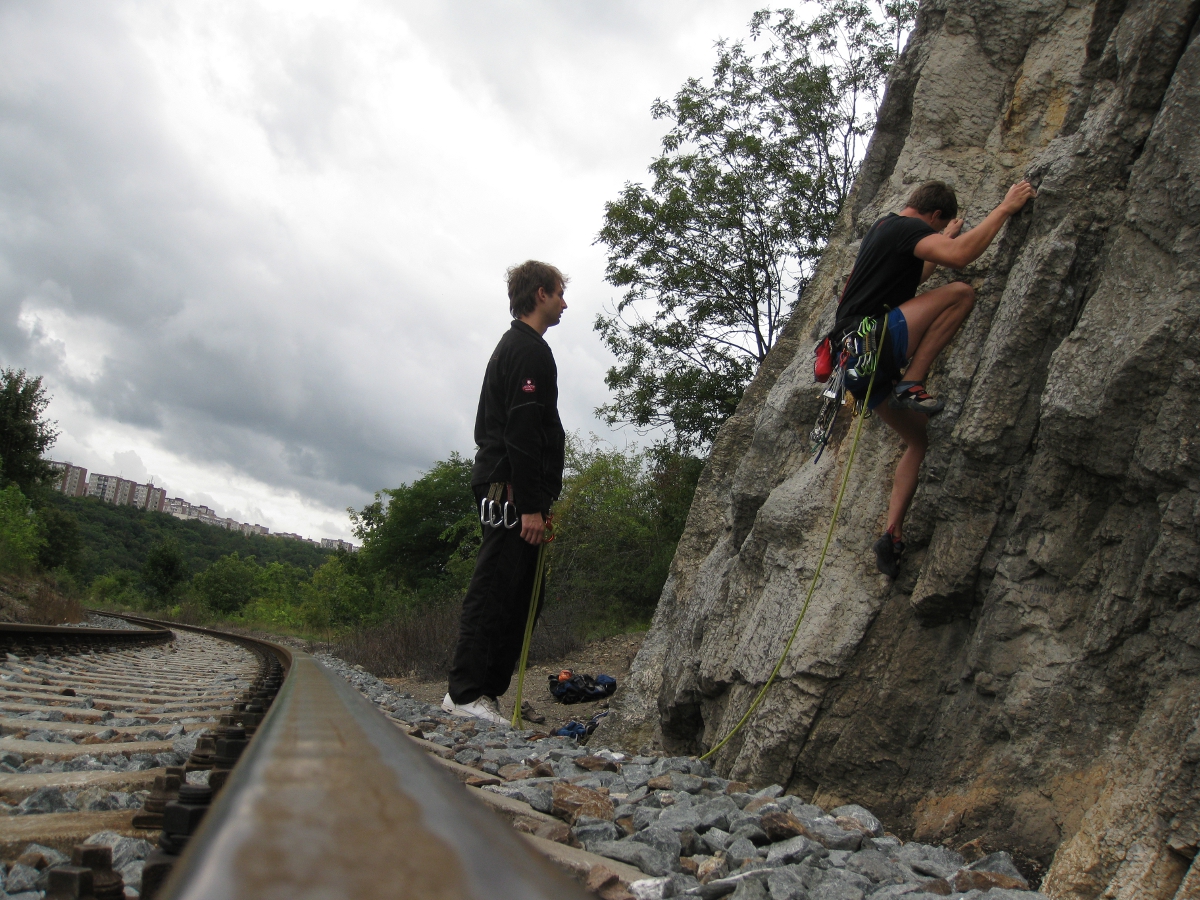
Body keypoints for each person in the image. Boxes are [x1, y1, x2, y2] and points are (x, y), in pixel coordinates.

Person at [830, 179, 1036, 578]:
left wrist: (941, 240)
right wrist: (1005, 208)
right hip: (871, 340)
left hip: (854, 366)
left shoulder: (885, 229)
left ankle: (891, 534)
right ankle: (913, 380)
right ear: (935, 215)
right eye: (935, 230)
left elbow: (914, 279)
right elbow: (960, 256)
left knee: (918, 440)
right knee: (961, 293)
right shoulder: (911, 230)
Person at [443, 260, 568, 724]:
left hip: (517, 490)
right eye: (559, 293)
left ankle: (484, 693)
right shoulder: (526, 350)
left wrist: (539, 500)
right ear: (539, 294)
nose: (564, 302)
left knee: (523, 595)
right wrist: (531, 506)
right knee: (497, 586)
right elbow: (521, 431)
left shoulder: (521, 348)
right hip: (507, 489)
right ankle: (465, 694)